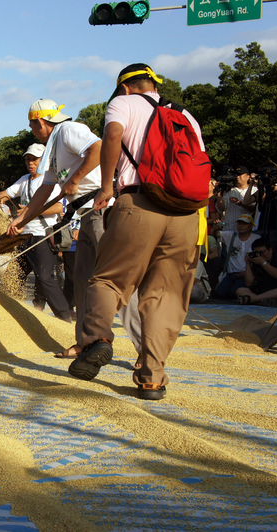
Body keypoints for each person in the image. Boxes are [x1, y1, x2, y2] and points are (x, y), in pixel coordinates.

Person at [69, 63, 207, 400]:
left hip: (140, 203)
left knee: (108, 279)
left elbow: (112, 137)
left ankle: (97, 340)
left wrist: (105, 187)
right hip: (185, 213)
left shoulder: (123, 103)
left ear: (125, 86)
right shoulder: (184, 114)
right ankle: (151, 380)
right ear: (154, 85)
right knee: (165, 297)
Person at [8, 97, 141, 362]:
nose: (33, 131)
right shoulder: (51, 148)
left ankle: (146, 349)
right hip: (82, 214)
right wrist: (21, 220)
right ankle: (86, 341)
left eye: (33, 126)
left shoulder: (69, 130)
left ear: (40, 122)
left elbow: (98, 148)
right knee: (80, 281)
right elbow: (46, 190)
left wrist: (75, 179)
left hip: (101, 208)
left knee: (116, 281)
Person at [0, 143, 71, 322]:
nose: (31, 163)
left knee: (44, 277)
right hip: (24, 236)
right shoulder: (25, 179)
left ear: (43, 160)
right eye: (28, 159)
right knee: (13, 275)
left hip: (43, 235)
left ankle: (64, 316)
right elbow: (5, 193)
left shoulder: (50, 179)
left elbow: (59, 207)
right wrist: (0, 198)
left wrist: (29, 211)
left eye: (35, 159)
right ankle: (11, 314)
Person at [213, 214, 259, 300]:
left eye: (244, 224)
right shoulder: (230, 235)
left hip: (246, 275)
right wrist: (215, 228)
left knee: (233, 293)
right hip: (231, 275)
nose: (241, 226)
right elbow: (216, 234)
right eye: (239, 223)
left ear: (251, 226)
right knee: (219, 293)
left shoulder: (257, 239)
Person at [235, 238, 277, 305]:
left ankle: (252, 300)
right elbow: (249, 283)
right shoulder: (256, 261)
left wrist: (263, 263)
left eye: (263, 252)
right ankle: (263, 302)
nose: (260, 255)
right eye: (257, 253)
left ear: (270, 250)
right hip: (262, 291)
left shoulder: (275, 258)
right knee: (240, 290)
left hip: (274, 290)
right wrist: (248, 263)